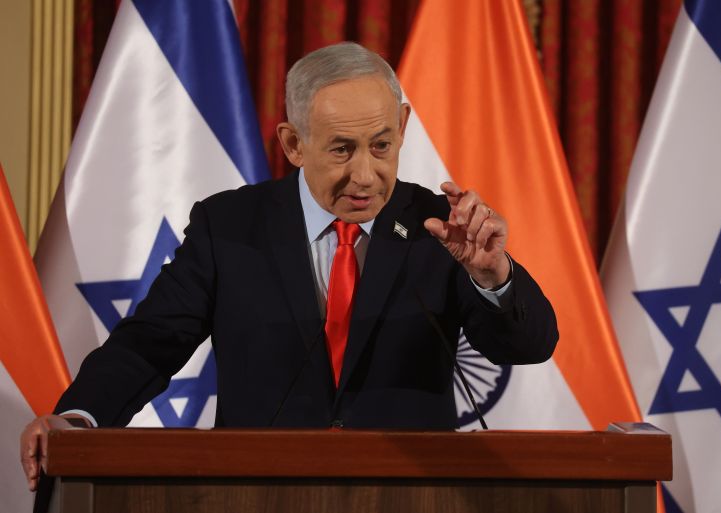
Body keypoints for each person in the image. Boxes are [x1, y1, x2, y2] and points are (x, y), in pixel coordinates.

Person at [21, 42, 558, 492]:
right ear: (294, 144)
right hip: (257, 493)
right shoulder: (229, 226)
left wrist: (494, 277)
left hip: (408, 495)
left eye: (382, 146)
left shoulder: (442, 228)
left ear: (403, 125)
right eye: (342, 150)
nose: (366, 176)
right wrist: (77, 421)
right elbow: (150, 342)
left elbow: (530, 346)